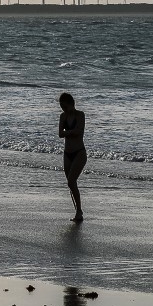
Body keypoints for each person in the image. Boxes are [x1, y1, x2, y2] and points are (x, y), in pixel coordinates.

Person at [57, 92, 87, 222]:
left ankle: (79, 210)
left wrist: (67, 132)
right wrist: (71, 132)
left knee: (71, 181)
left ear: (70, 103)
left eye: (64, 106)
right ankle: (77, 212)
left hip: (79, 152)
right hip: (67, 153)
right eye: (61, 106)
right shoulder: (63, 116)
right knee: (71, 183)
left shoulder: (80, 115)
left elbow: (79, 131)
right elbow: (60, 134)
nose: (63, 108)